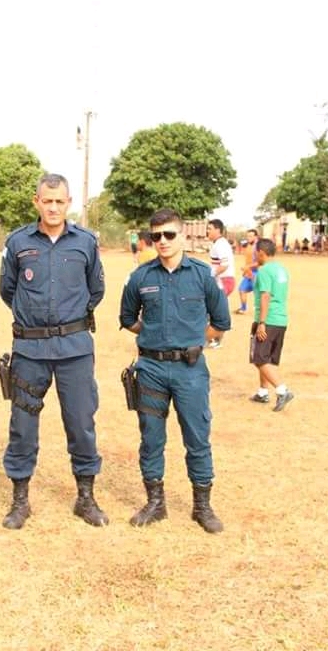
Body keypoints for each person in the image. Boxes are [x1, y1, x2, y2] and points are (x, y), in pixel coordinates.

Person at [0, 173, 107, 530]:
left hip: (75, 349)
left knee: (81, 422)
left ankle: (85, 497)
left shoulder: (86, 242)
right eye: (48, 201)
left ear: (69, 203)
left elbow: (96, 290)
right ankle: (20, 500)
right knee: (23, 425)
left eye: (60, 201)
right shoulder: (18, 243)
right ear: (37, 202)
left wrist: (68, 320)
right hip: (30, 349)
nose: (54, 207)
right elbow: (8, 290)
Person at [119, 208, 231, 533]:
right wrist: (154, 336)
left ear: (183, 235)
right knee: (151, 438)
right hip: (151, 369)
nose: (163, 241)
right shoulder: (140, 277)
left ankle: (202, 506)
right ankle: (155, 503)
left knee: (197, 438)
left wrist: (193, 340)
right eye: (156, 236)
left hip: (190, 370)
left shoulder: (202, 275)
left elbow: (221, 322)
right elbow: (128, 319)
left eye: (169, 234)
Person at [248, 239, 295, 412]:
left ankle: (282, 391)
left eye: (255, 252)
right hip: (281, 320)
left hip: (268, 320)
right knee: (267, 358)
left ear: (261, 252)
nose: (254, 254)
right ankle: (263, 392)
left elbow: (266, 296)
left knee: (259, 358)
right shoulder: (282, 270)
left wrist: (262, 323)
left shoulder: (265, 271)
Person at [206, 219, 235, 348]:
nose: (207, 231)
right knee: (214, 309)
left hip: (224, 280)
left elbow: (224, 265)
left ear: (218, 230)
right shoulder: (218, 244)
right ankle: (214, 338)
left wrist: (210, 275)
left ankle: (215, 339)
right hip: (223, 280)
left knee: (214, 309)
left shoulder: (220, 245)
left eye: (210, 229)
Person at [236, 229, 259, 314]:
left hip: (257, 273)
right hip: (248, 273)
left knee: (258, 293)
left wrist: (248, 267)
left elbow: (260, 262)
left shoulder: (259, 247)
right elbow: (248, 260)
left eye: (251, 236)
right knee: (242, 289)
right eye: (248, 236)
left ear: (256, 237)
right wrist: (246, 270)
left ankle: (259, 310)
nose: (248, 238)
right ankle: (243, 308)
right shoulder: (248, 246)